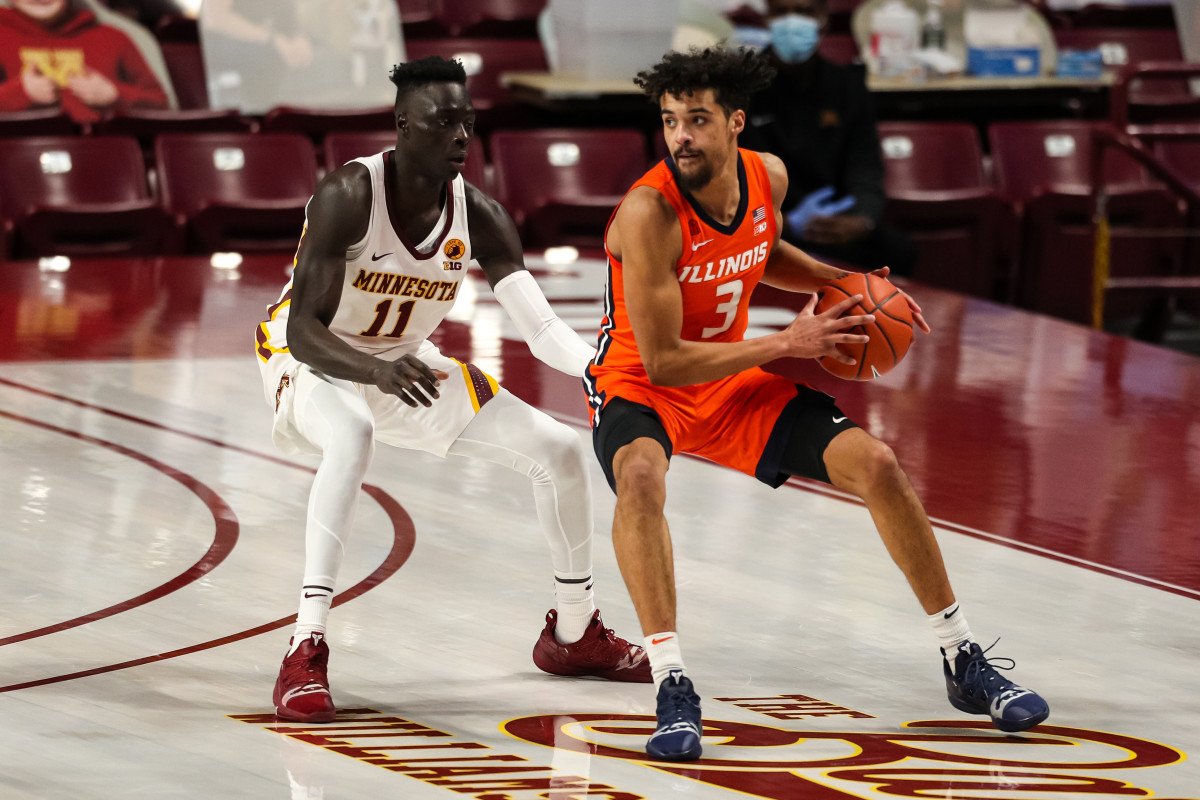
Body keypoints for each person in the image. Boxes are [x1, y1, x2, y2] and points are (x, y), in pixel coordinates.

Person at [584, 45, 1048, 763]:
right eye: (670, 120)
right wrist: (787, 341)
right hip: (643, 384)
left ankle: (962, 658)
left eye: (697, 120)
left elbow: (757, 250)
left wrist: (850, 284)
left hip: (731, 383)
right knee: (641, 481)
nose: (680, 136)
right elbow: (669, 358)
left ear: (735, 123)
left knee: (880, 464)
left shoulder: (767, 175)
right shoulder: (648, 212)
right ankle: (673, 685)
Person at [255, 56, 650, 723]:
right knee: (351, 434)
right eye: (444, 121)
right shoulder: (349, 195)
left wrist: (608, 375)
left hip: (403, 361)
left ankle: (574, 632)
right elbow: (302, 331)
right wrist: (374, 370)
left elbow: (543, 330)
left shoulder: (484, 216)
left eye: (467, 120)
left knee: (558, 450)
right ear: (404, 125)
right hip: (309, 361)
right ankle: (306, 645)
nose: (461, 134)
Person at [737, 0, 916, 276]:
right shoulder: (738, 88)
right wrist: (780, 221)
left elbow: (866, 166)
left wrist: (862, 219)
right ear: (766, 19)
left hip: (836, 224)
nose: (792, 21)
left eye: (804, 11)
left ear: (824, 20)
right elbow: (729, 180)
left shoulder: (847, 87)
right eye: (781, 12)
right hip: (766, 226)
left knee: (898, 250)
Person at [0, 0, 169, 123]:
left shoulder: (113, 37)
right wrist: (20, 93)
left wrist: (114, 95)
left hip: (102, 158)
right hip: (16, 160)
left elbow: (163, 106)